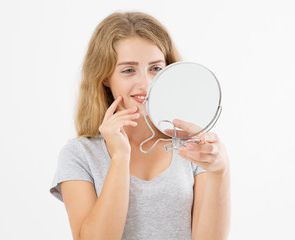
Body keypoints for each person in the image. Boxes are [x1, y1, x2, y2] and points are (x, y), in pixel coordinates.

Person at [50, 11, 230, 240]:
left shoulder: (191, 146)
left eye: (155, 68)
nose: (146, 84)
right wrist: (120, 157)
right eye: (128, 70)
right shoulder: (79, 155)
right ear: (105, 77)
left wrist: (220, 171)